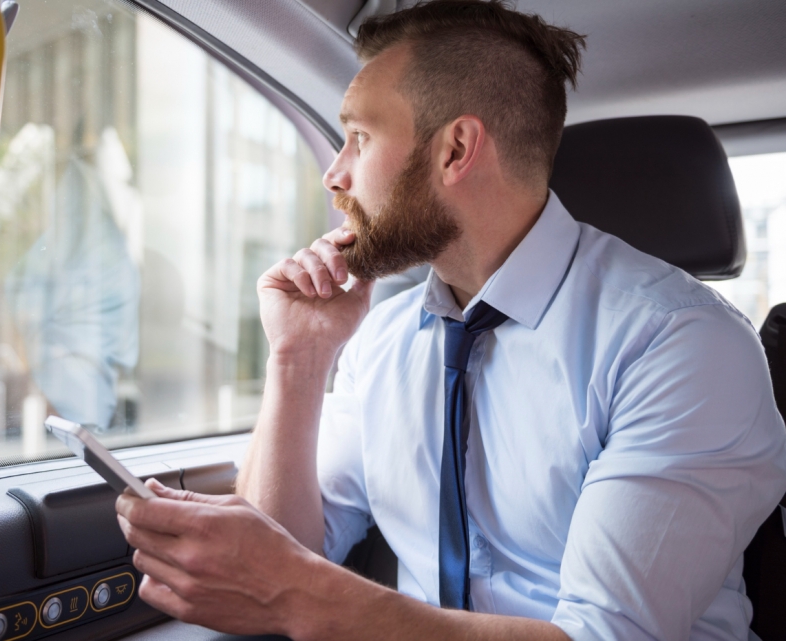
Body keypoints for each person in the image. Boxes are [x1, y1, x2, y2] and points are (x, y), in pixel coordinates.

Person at [114, 1, 786, 639]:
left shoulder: (683, 348)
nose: (335, 175)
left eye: (357, 137)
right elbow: (273, 559)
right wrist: (299, 357)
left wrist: (299, 593)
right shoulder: (382, 338)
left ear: (456, 149)